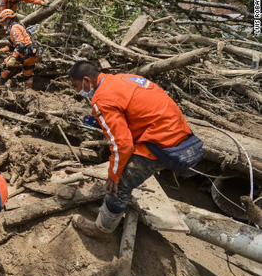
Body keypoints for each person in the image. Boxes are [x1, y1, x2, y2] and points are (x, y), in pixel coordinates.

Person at [68, 61, 203, 239]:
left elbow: (122, 145)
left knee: (120, 183)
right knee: (122, 169)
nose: (78, 91)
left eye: (77, 86)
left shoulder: (101, 99)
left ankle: (102, 230)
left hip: (161, 143)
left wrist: (114, 175)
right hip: (179, 133)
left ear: (86, 80)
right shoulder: (126, 78)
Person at [0, 9, 39, 88]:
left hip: (26, 53)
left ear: (8, 20)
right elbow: (13, 46)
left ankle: (1, 84)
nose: (2, 25)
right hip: (33, 54)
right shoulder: (16, 27)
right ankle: (28, 90)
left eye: (2, 22)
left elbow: (20, 45)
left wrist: (13, 57)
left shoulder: (14, 28)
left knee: (6, 64)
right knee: (27, 72)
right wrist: (1, 51)